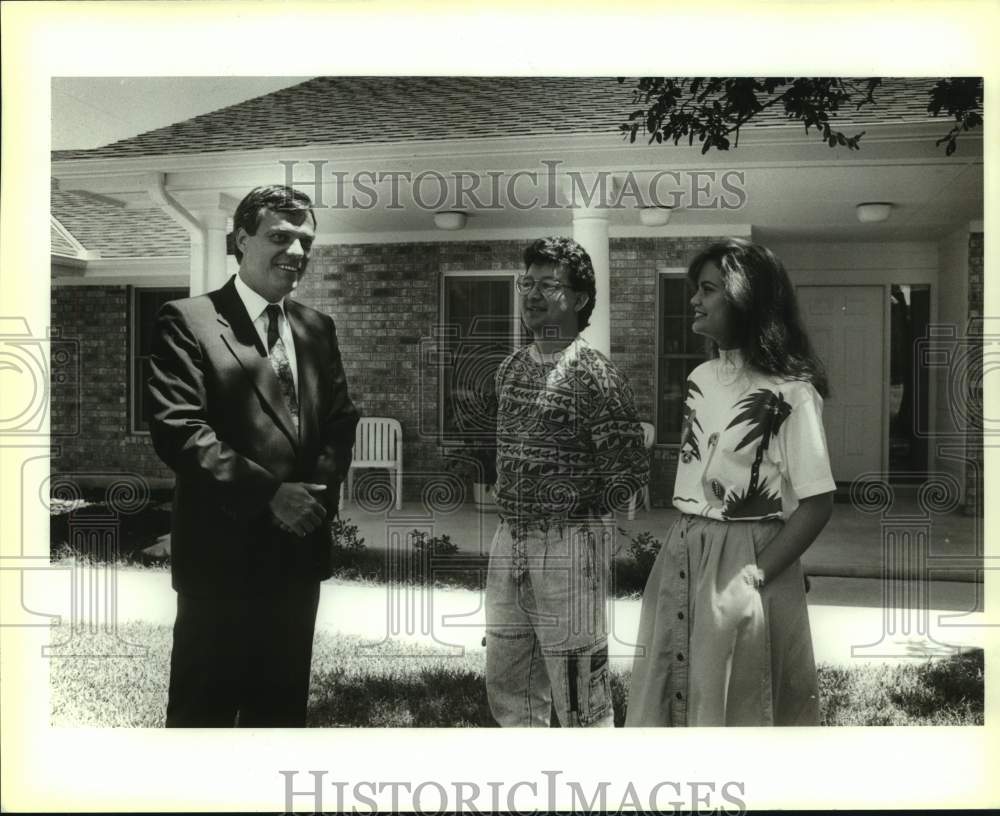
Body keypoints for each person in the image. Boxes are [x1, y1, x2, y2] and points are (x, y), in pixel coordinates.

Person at [148, 185, 360, 727]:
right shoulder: (189, 320)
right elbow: (179, 429)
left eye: (305, 240)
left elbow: (339, 422)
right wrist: (270, 495)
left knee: (279, 719)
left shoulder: (317, 329)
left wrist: (311, 498)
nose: (296, 252)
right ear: (241, 240)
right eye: (279, 237)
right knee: (204, 723)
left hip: (296, 560)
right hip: (221, 565)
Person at [626, 238, 835, 727]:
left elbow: (818, 503)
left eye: (708, 290)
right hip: (684, 546)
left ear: (746, 298)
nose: (695, 300)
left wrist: (756, 575)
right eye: (695, 290)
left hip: (748, 554)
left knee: (739, 691)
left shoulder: (792, 393)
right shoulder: (701, 377)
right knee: (673, 682)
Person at [485, 236, 648, 727]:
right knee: (509, 679)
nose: (531, 295)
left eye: (548, 286)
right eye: (526, 283)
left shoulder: (597, 376)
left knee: (579, 690)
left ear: (578, 299)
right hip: (507, 539)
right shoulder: (509, 370)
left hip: (569, 544)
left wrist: (570, 507)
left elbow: (629, 478)